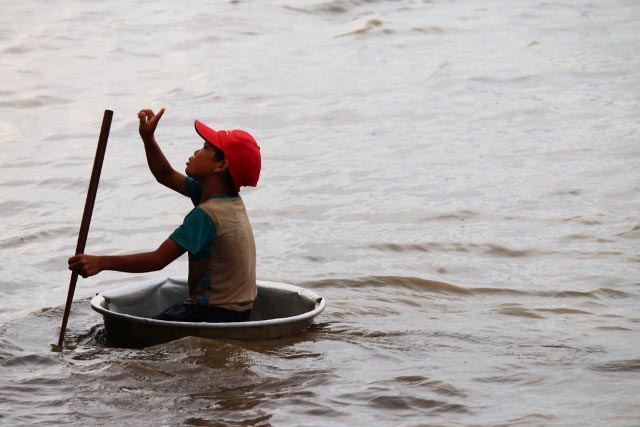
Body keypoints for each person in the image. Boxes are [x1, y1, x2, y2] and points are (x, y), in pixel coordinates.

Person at [68, 108, 261, 322]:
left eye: (205, 148)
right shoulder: (226, 200)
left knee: (122, 341)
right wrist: (148, 138)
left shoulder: (207, 214)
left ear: (221, 166)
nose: (195, 152)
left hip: (213, 313)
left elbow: (157, 259)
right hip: (237, 313)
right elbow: (165, 174)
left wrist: (102, 262)